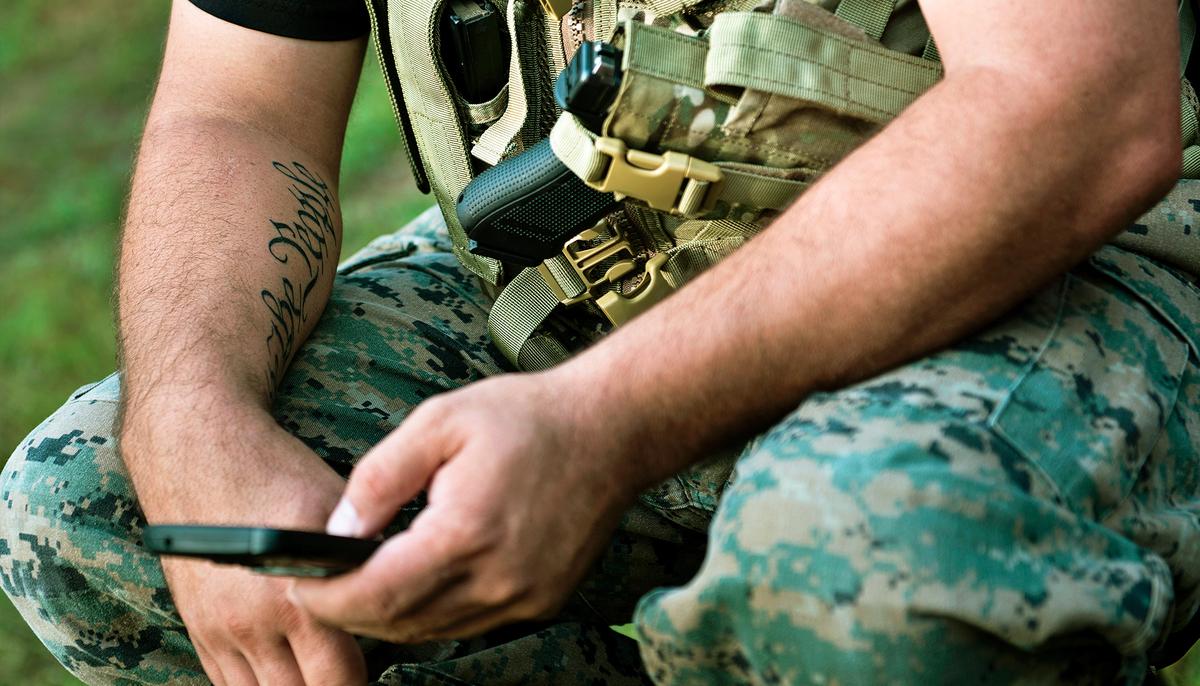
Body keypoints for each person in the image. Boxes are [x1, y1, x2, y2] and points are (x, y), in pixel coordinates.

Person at [2, 0, 1198, 683]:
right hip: (577, 286)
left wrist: (603, 424)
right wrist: (190, 418)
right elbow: (236, 105)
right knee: (91, 510)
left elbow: (1075, 106)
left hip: (1055, 263)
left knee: (854, 551)